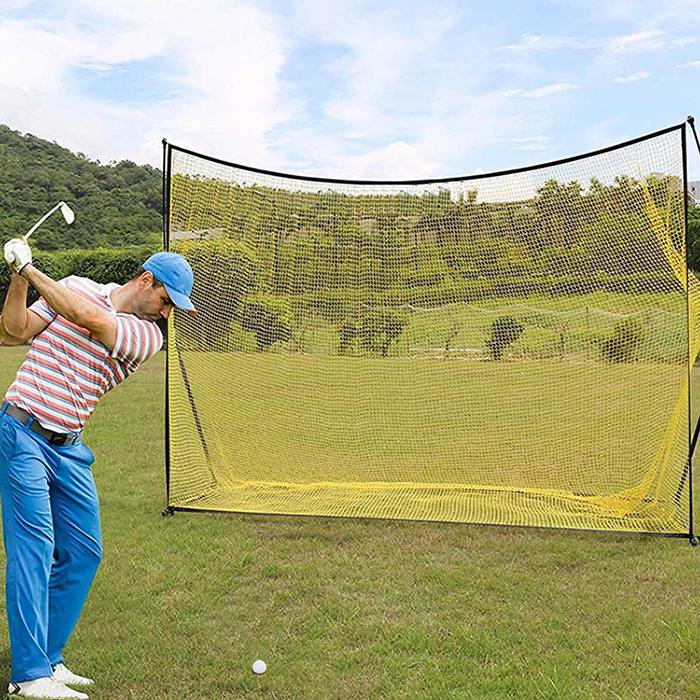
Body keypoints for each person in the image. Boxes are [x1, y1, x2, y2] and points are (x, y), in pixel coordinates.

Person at [0, 238, 196, 699]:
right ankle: (30, 675)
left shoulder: (147, 336)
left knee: (84, 552)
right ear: (146, 280)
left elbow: (90, 319)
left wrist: (30, 270)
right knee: (33, 547)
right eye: (167, 300)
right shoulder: (75, 285)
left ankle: (48, 657)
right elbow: (13, 331)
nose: (168, 312)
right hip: (21, 430)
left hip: (68, 446)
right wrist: (16, 278)